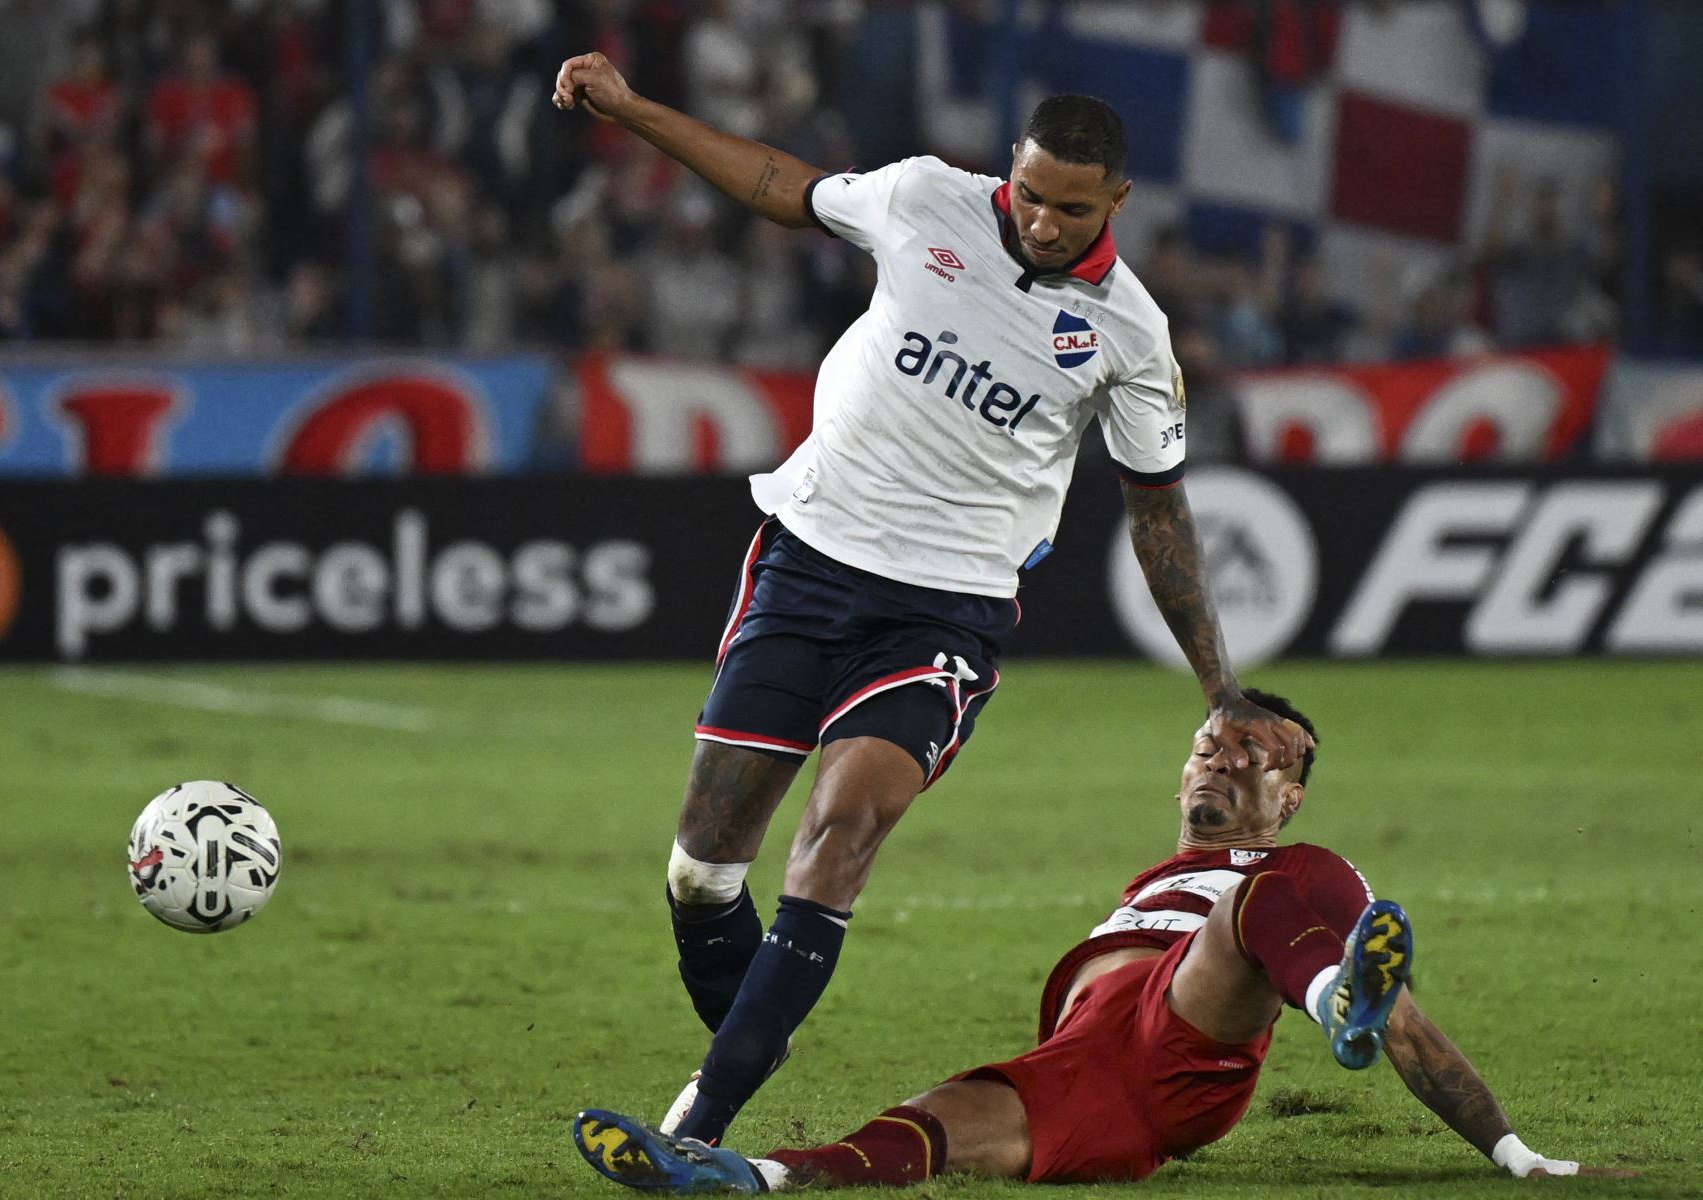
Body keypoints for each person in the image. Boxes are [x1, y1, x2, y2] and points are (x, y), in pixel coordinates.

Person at [551, 53, 1314, 1147]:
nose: (1044, 224)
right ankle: (757, 1018)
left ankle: (699, 1124)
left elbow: (1159, 514)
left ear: (1119, 204)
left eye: (1073, 209)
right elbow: (781, 183)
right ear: (1012, 169)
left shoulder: (1130, 336)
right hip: (808, 562)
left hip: (943, 612)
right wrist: (634, 113)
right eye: (1032, 195)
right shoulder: (922, 200)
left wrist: (1220, 685)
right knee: (704, 868)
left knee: (846, 824)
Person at [572, 691, 1631, 1192]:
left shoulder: (1304, 874)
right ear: (1181, 773)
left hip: (1196, 1030)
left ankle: (1332, 1007)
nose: (1224, 758)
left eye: (1255, 755)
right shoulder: (1151, 883)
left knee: (1266, 902)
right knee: (929, 1127)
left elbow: (1419, 1031)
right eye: (1212, 745)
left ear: (1290, 792)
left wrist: (1509, 1148)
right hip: (1090, 1062)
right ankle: (738, 1174)